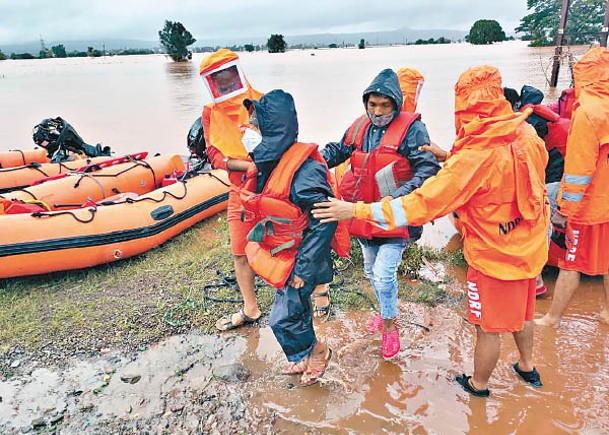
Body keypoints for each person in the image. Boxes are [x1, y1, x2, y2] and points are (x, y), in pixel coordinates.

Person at [313, 65, 549, 397]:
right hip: (530, 248)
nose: (378, 112)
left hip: (495, 257)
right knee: (523, 314)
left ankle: (478, 387)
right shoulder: (526, 134)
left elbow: (422, 203)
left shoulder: (472, 154)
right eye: (372, 104)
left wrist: (354, 211)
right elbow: (502, 170)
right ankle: (527, 368)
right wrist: (449, 154)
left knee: (488, 328)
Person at [199, 49, 330, 330]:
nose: (223, 82)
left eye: (227, 75)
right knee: (240, 250)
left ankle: (319, 290)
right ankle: (250, 308)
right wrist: (245, 166)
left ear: (236, 72)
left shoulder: (262, 102)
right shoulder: (211, 113)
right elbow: (214, 154)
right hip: (241, 191)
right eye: (216, 79)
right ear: (210, 82)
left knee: (301, 236)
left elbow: (285, 136)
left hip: (275, 186)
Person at [320, 68, 440, 360]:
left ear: (396, 105)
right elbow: (340, 149)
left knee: (384, 275)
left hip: (395, 217)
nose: (378, 111)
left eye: (385, 106)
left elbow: (427, 169)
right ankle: (386, 311)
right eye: (372, 105)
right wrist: (316, 158)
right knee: (370, 271)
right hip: (362, 215)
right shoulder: (360, 126)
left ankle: (390, 325)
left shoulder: (413, 130)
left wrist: (398, 197)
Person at [237, 89, 339, 385]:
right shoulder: (271, 162)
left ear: (272, 132)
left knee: (282, 317)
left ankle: (318, 353)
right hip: (287, 256)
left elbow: (324, 221)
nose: (247, 132)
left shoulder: (304, 172)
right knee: (297, 309)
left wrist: (302, 272)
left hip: (304, 261)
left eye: (253, 128)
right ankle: (304, 357)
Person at [535, 47, 609, 328]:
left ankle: (552, 318)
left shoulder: (587, 113)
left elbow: (578, 170)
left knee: (571, 262)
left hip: (589, 206)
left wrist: (563, 211)